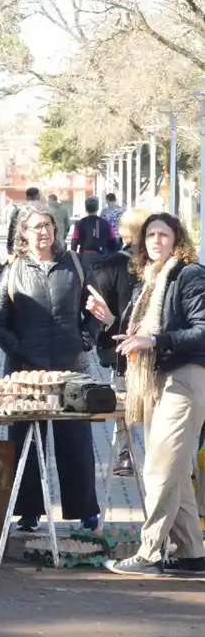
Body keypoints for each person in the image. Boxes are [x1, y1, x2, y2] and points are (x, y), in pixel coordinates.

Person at [0, 204, 112, 531]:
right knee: (27, 442)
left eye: (48, 225)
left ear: (56, 229)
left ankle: (85, 510)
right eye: (36, 226)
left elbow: (96, 310)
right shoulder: (13, 271)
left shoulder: (75, 264)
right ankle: (29, 511)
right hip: (26, 374)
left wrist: (85, 338)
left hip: (71, 371)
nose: (43, 232)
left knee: (75, 442)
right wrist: (21, 351)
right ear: (23, 233)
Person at [104, 213, 205, 577]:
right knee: (173, 471)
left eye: (164, 234)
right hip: (156, 380)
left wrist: (156, 341)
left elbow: (201, 328)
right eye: (150, 235)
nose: (156, 241)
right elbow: (140, 332)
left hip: (185, 378)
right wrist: (110, 322)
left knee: (160, 469)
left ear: (177, 239)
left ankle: (148, 553)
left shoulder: (189, 275)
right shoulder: (151, 279)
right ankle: (192, 554)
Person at [93, 207, 150, 476]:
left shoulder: (111, 264)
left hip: (120, 345)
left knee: (124, 404)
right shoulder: (159, 264)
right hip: (153, 344)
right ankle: (152, 455)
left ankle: (126, 455)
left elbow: (100, 305)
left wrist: (106, 327)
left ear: (124, 232)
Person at [7, 186, 42, 253]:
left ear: (27, 197)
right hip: (39, 246)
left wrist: (9, 246)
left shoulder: (18, 210)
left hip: (22, 246)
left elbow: (12, 229)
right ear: (38, 197)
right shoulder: (43, 210)